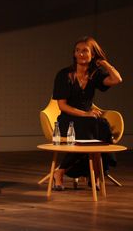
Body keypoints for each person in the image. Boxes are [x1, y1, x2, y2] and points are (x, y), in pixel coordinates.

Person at [52, 36, 122, 190]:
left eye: (85, 51)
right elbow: (62, 106)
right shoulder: (64, 74)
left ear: (93, 55)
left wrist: (104, 63)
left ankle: (95, 174)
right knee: (92, 129)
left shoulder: (94, 75)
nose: (80, 54)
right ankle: (61, 172)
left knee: (101, 126)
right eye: (77, 50)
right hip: (67, 120)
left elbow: (117, 79)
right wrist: (85, 114)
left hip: (88, 121)